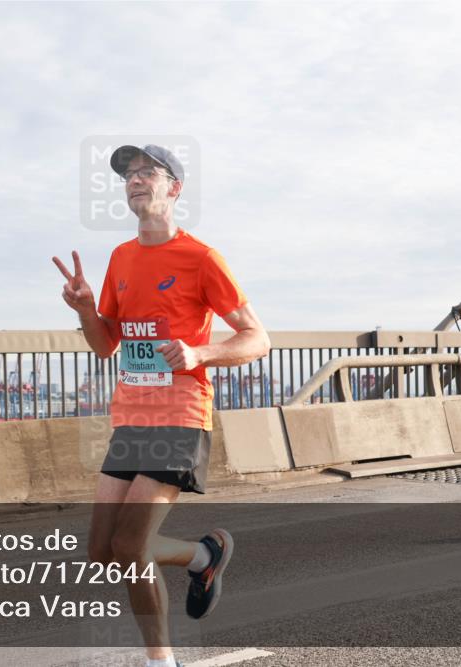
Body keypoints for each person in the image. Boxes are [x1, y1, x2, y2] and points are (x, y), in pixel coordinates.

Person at [53, 144, 270, 667]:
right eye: (127, 174)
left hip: (180, 416)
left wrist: (201, 350)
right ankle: (202, 556)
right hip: (131, 418)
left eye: (146, 171)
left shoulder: (201, 258)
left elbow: (257, 337)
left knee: (130, 547)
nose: (133, 180)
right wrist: (86, 309)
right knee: (104, 555)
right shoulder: (121, 259)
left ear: (174, 188)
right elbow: (106, 343)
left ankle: (160, 660)